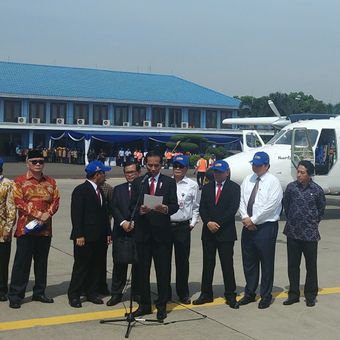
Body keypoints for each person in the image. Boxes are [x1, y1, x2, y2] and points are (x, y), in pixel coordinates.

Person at [8, 150, 60, 309]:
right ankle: (16, 295)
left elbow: (56, 200)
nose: (38, 164)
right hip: (26, 230)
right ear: (27, 163)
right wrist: (38, 214)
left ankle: (39, 292)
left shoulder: (51, 182)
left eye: (41, 161)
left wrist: (48, 214)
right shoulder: (19, 181)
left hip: (45, 230)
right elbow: (18, 202)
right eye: (34, 161)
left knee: (41, 263)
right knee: (22, 264)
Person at [130, 150, 178, 321]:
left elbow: (174, 205)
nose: (152, 168)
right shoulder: (139, 182)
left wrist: (166, 209)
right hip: (143, 234)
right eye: (149, 165)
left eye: (156, 165)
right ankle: (144, 304)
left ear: (161, 164)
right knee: (142, 271)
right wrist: (140, 210)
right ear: (145, 164)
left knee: (163, 271)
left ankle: (162, 304)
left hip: (162, 235)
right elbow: (132, 206)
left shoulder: (169, 182)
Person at [237, 151, 283, 309]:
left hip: (265, 227)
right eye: (253, 164)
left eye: (258, 165)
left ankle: (266, 295)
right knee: (249, 261)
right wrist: (245, 217)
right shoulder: (247, 179)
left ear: (266, 166)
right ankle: (250, 292)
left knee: (266, 261)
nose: (254, 167)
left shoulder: (273, 182)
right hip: (247, 225)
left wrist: (253, 220)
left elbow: (271, 206)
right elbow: (242, 200)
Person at [193, 160, 240, 309]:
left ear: (227, 172)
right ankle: (206, 293)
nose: (217, 174)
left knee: (227, 264)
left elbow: (232, 209)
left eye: (220, 172)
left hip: (225, 232)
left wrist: (217, 223)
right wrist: (208, 222)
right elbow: (202, 208)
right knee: (208, 264)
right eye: (215, 172)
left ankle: (230, 295)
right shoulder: (206, 188)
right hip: (208, 232)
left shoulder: (234, 188)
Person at [68, 160, 112, 308]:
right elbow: (76, 214)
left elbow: (105, 214)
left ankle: (91, 292)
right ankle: (74, 294)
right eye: (103, 173)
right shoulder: (81, 190)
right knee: (81, 266)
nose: (105, 176)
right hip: (85, 237)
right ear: (97, 174)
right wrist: (78, 234)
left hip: (99, 236)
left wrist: (108, 232)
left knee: (96, 265)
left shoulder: (101, 190)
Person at [282, 160, 326, 307]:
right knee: (293, 265)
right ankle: (293, 294)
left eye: (302, 172)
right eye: (298, 172)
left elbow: (321, 210)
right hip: (293, 233)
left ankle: (310, 295)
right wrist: (294, 220)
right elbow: (286, 206)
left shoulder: (317, 190)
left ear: (309, 174)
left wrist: (311, 223)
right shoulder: (291, 188)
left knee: (311, 266)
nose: (299, 175)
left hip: (310, 235)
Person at [107, 162, 141, 306]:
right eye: (127, 172)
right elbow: (113, 207)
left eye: (133, 172)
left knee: (139, 264)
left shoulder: (144, 189)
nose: (130, 175)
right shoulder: (118, 189)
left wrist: (135, 223)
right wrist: (123, 222)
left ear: (138, 173)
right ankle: (116, 293)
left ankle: (137, 292)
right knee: (119, 263)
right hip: (121, 231)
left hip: (139, 231)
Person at [169, 155, 200, 304]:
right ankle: (165, 292)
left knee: (182, 262)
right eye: (175, 166)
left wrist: (193, 222)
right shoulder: (166, 182)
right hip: (166, 226)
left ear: (187, 168)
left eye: (181, 166)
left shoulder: (192, 185)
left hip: (182, 227)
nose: (177, 169)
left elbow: (195, 206)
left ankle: (183, 293)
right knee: (164, 261)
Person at [0, 159, 16, 302]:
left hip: (2, 229)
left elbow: (11, 208)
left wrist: (8, 228)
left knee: (2, 261)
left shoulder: (8, 184)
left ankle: (2, 289)